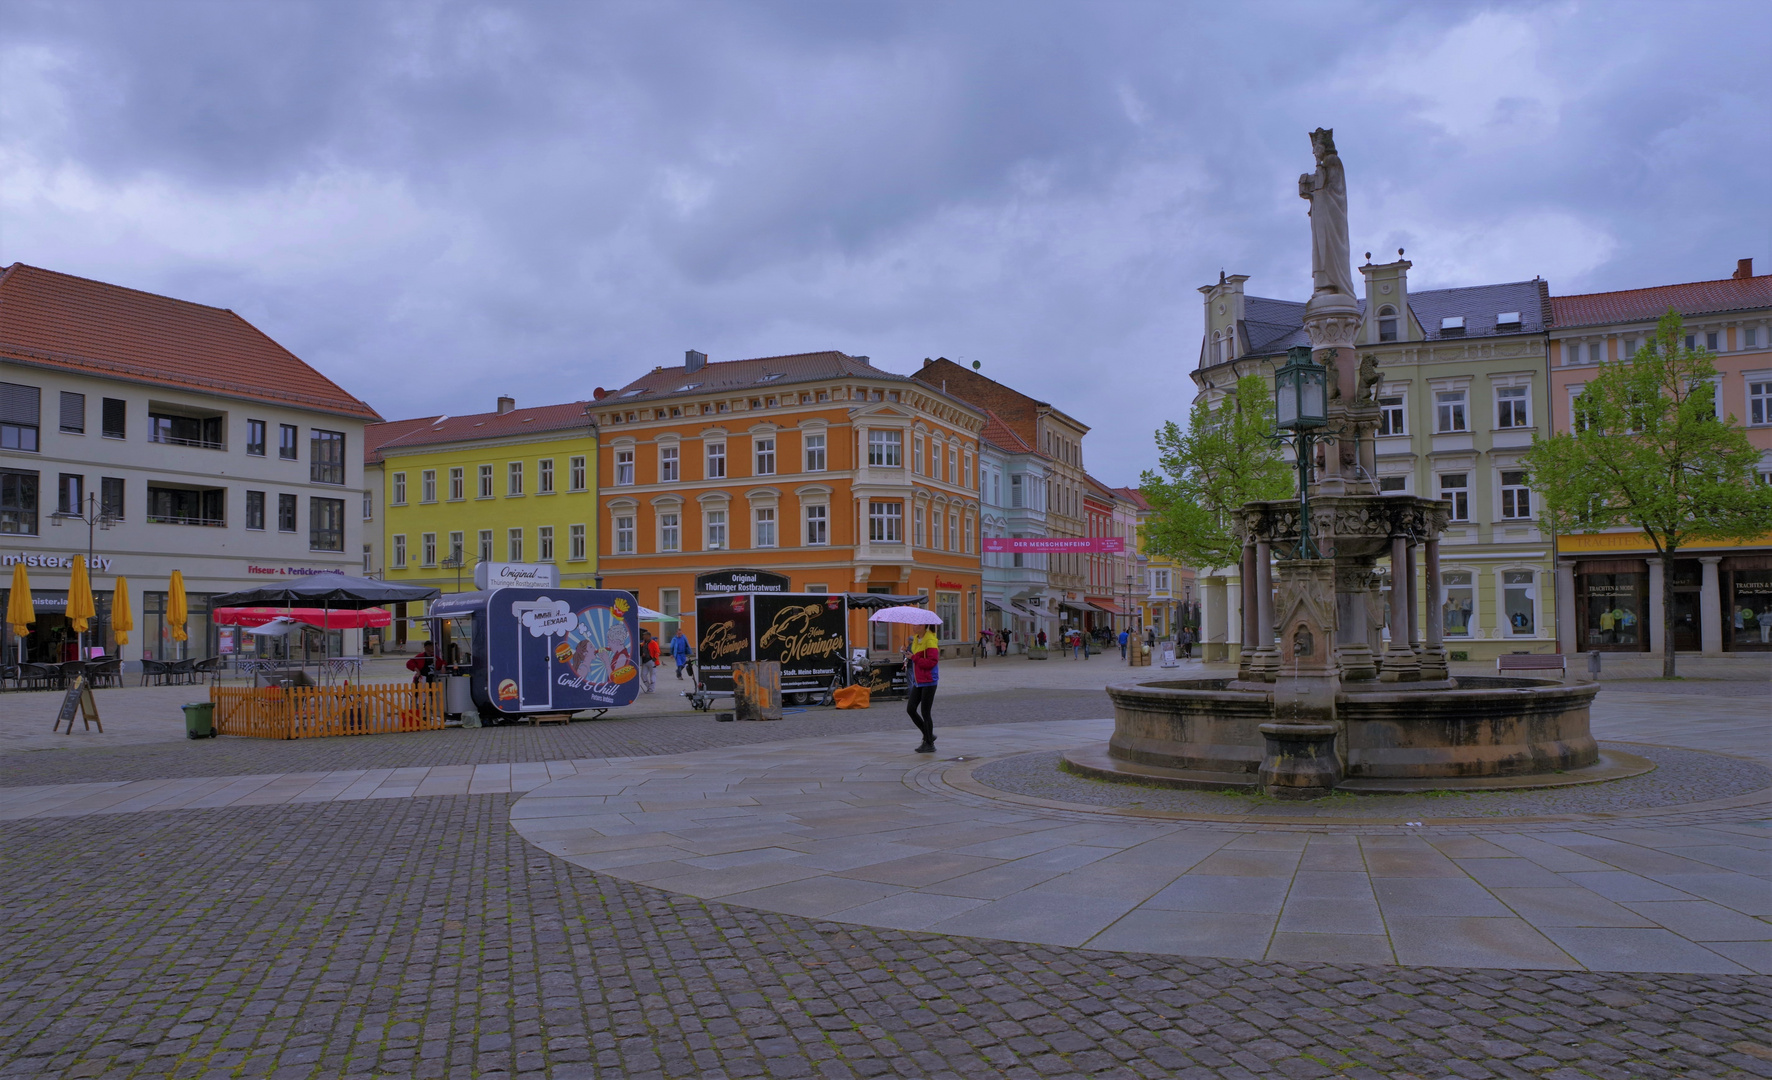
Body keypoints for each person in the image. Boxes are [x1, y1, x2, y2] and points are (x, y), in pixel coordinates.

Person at [906, 626, 940, 753]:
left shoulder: (930, 640)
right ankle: (928, 735)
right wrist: (907, 653)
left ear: (925, 626)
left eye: (918, 625)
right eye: (914, 624)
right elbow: (915, 656)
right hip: (919, 680)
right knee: (910, 709)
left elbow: (932, 662)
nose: (914, 627)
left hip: (929, 680)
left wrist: (913, 658)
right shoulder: (916, 639)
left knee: (925, 712)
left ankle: (929, 743)